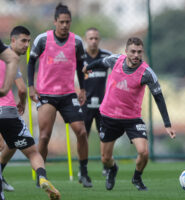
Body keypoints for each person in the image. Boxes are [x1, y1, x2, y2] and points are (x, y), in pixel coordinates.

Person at [83, 37, 176, 191]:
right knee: (105, 158)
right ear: (126, 52)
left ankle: (137, 178)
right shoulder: (115, 61)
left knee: (143, 152)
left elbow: (158, 97)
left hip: (132, 119)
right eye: (132, 51)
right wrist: (88, 68)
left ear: (142, 53)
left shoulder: (147, 73)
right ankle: (112, 169)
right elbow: (101, 62)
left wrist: (167, 124)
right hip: (108, 116)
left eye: (139, 52)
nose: (136, 55)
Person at [27, 3, 92, 187]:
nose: (64, 25)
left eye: (68, 22)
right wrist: (31, 87)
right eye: (61, 22)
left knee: (81, 131)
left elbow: (81, 66)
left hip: (68, 94)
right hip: (46, 94)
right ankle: (42, 175)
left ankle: (84, 172)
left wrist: (83, 89)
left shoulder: (77, 42)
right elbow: (31, 62)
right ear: (55, 21)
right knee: (45, 136)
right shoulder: (43, 39)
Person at [0, 26, 60, 200]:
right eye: (23, 41)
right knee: (33, 152)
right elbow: (21, 89)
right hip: (9, 113)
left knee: (10, 144)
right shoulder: (10, 58)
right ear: (12, 41)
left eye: (29, 41)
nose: (27, 45)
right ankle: (42, 177)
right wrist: (23, 103)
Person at [82, 27, 111, 176]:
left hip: (103, 106)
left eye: (96, 38)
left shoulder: (106, 56)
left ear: (99, 40)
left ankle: (106, 166)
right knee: (83, 137)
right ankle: (83, 169)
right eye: (90, 38)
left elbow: (117, 70)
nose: (93, 41)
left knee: (104, 136)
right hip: (85, 105)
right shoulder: (80, 57)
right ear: (86, 40)